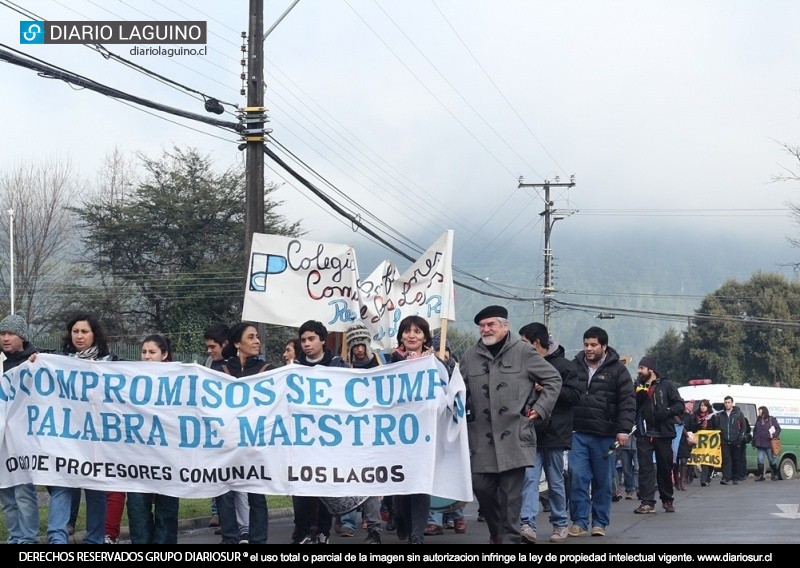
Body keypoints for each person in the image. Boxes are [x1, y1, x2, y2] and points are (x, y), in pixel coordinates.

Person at [460, 305, 561, 544]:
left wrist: (540, 408)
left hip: (515, 435)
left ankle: (509, 539)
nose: (485, 329)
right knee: (481, 488)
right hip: (482, 437)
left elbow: (553, 379)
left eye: (490, 324)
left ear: (505, 326)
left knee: (510, 497)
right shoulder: (469, 355)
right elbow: (459, 390)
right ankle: (499, 532)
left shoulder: (524, 351)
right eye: (482, 326)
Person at [46, 313, 115, 545]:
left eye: (84, 331)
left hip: (97, 439)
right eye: (75, 331)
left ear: (94, 335)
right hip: (66, 437)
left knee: (96, 491)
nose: (79, 336)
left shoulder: (111, 363)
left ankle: (94, 541)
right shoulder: (57, 361)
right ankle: (57, 539)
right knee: (62, 485)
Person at [568, 326, 635, 538]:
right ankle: (578, 521)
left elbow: (627, 402)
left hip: (605, 435)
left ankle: (599, 522)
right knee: (577, 476)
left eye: (593, 345)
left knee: (603, 481)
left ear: (603, 346)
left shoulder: (618, 371)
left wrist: (623, 429)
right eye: (586, 344)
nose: (589, 348)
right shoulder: (573, 367)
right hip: (577, 432)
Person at [517, 322, 580, 544]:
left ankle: (560, 524)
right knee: (529, 480)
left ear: (536, 343)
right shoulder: (523, 365)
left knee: (555, 482)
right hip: (530, 433)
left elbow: (576, 396)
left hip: (555, 433)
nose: (520, 346)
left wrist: (550, 389)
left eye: (524, 342)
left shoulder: (565, 366)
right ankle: (527, 524)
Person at [291, 320, 349, 544]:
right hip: (302, 438)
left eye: (311, 339)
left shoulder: (338, 366)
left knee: (326, 484)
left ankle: (324, 531)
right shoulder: (294, 368)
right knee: (300, 485)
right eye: (303, 340)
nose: (306, 344)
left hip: (330, 438)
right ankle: (303, 530)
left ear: (323, 340)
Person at [217, 322, 271, 545]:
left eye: (257, 337)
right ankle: (230, 539)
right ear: (238, 343)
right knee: (224, 492)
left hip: (255, 443)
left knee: (257, 495)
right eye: (251, 337)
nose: (257, 341)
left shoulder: (268, 370)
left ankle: (259, 541)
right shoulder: (219, 371)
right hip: (226, 442)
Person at [126, 334, 181, 544]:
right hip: (138, 457)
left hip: (169, 457)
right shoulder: (129, 379)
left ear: (164, 355)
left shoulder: (179, 380)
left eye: (152, 352)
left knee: (166, 512)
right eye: (144, 352)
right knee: (137, 510)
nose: (147, 357)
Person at [0, 314, 41, 544]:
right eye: (2, 333)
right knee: (6, 493)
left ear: (22, 337)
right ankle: (14, 536)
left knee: (23, 492)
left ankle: (28, 539)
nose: (5, 338)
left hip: (23, 438)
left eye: (11, 334)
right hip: (2, 439)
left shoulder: (35, 362)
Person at [632, 356, 684, 514]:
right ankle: (647, 502)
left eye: (642, 368)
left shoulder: (666, 385)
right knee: (645, 468)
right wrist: (637, 400)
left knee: (664, 467)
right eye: (639, 368)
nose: (639, 371)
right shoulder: (637, 386)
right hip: (644, 433)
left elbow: (679, 405)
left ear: (651, 370)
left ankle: (667, 499)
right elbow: (630, 407)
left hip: (663, 433)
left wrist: (667, 411)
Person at [202, 323, 230, 532]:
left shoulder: (234, 365)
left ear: (225, 344)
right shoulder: (209, 363)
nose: (210, 351)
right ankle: (218, 512)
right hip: (213, 429)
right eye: (208, 347)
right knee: (216, 474)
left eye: (213, 346)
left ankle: (229, 518)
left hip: (231, 430)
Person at [712, 395, 746, 485]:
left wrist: (740, 437)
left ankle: (735, 477)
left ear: (732, 403)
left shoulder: (738, 413)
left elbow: (743, 427)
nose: (727, 404)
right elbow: (717, 426)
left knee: (735, 459)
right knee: (726, 459)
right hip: (724, 440)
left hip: (735, 439)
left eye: (729, 402)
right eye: (726, 402)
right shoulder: (721, 414)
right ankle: (726, 478)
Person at [752, 406, 781, 481]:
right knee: (760, 459)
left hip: (769, 443)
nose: (758, 412)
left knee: (771, 460)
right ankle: (761, 476)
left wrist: (774, 435)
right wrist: (753, 441)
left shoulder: (771, 419)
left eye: (759, 411)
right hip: (760, 443)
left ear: (764, 411)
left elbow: (778, 429)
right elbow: (755, 431)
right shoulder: (758, 420)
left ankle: (775, 474)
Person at [693, 399, 714, 486]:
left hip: (710, 442)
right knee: (703, 460)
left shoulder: (712, 416)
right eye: (701, 405)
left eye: (704, 405)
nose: (702, 407)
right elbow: (693, 428)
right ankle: (703, 480)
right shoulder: (695, 416)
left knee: (710, 461)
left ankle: (708, 477)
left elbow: (716, 427)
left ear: (707, 407)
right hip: (700, 442)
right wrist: (699, 424)